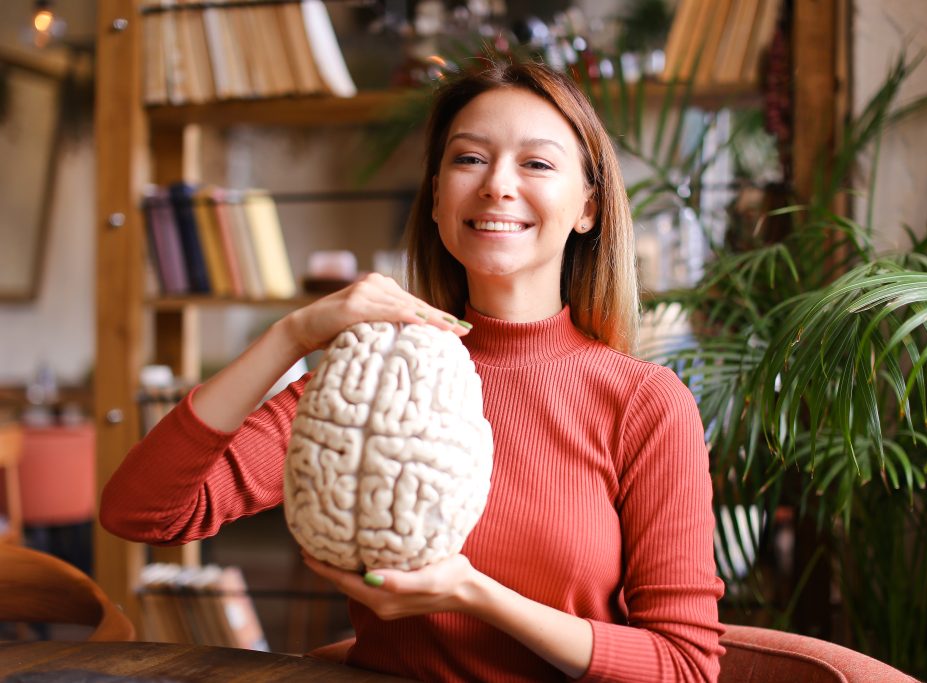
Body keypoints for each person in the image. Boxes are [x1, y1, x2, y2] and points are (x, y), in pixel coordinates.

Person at [101, 58, 725, 681]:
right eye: (469, 158)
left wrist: (470, 593)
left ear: (588, 207)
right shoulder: (372, 374)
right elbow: (144, 512)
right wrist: (292, 334)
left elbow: (685, 667)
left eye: (535, 163)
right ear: (434, 198)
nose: (497, 185)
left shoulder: (645, 403)